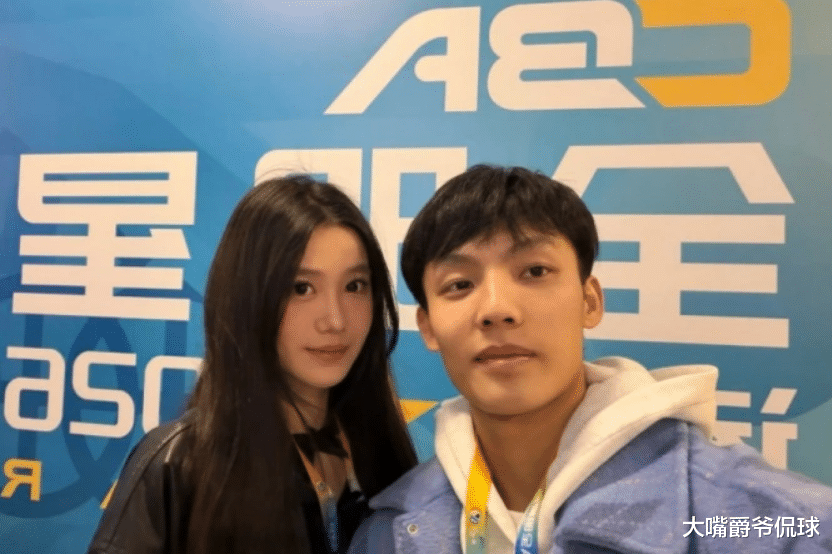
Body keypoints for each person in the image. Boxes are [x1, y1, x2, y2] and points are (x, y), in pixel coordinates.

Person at [349, 165, 832, 554]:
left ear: (590, 302)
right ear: (429, 327)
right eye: (459, 284)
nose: (496, 308)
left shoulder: (773, 524)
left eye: (534, 271)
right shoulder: (386, 534)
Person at [88, 175, 417, 554]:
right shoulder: (179, 464)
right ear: (247, 298)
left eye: (354, 286)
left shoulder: (379, 451)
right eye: (301, 288)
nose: (335, 320)